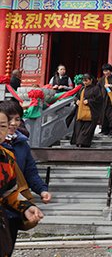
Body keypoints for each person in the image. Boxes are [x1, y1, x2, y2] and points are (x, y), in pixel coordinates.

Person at [0, 100, 51, 247]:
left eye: (17, 119)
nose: (13, 123)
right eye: (8, 121)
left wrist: (28, 205)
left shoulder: (8, 155)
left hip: (8, 214)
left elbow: (10, 191)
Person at [69, 74, 102, 147]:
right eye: (84, 81)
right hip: (80, 112)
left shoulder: (95, 89)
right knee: (78, 128)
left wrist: (89, 101)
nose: (85, 82)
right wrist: (76, 101)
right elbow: (76, 97)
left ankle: (84, 143)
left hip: (90, 113)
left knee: (86, 131)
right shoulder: (82, 89)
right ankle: (78, 143)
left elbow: (99, 100)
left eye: (86, 80)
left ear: (91, 80)